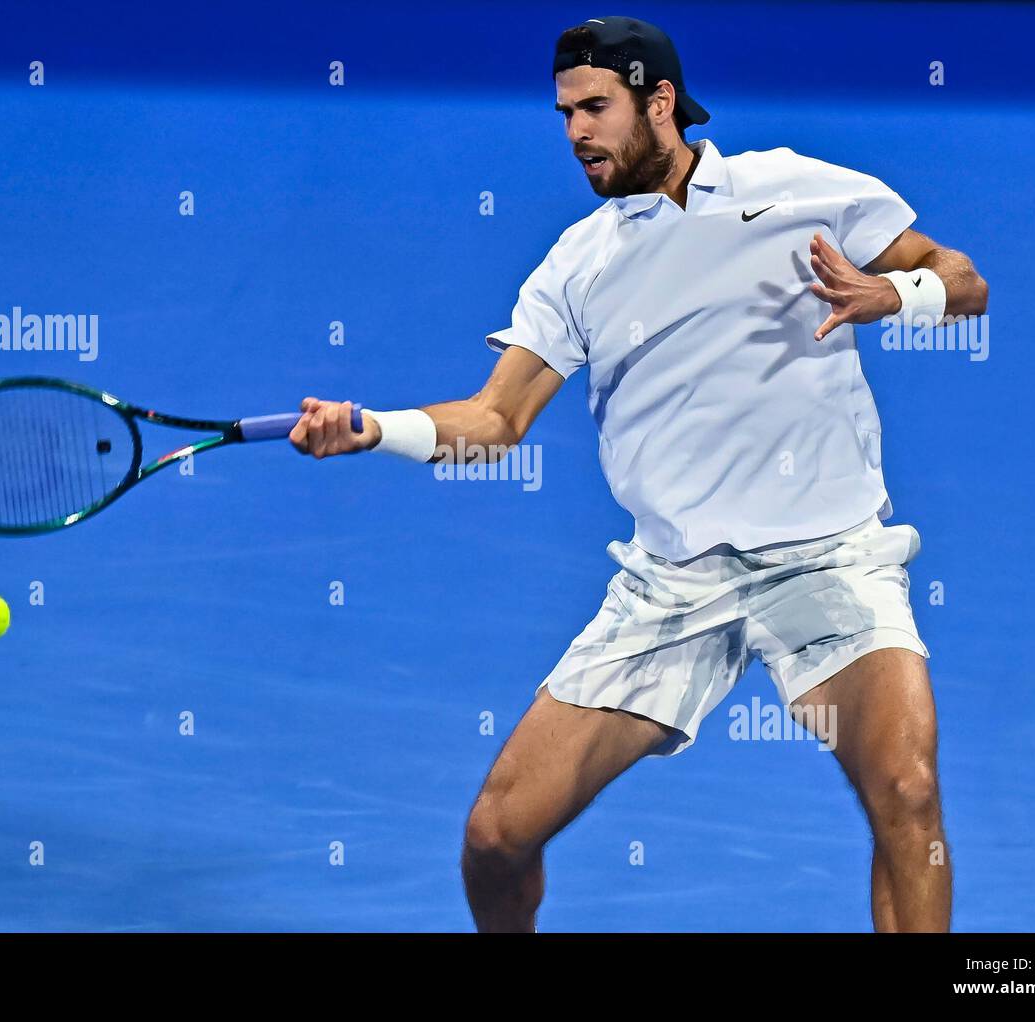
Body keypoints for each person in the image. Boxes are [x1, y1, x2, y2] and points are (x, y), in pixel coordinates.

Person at [289, 15, 988, 933]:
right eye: (564, 113)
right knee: (497, 837)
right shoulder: (578, 266)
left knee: (908, 791)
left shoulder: (794, 189)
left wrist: (894, 293)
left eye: (595, 107)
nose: (575, 132)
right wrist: (373, 428)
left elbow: (962, 279)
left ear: (660, 102)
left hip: (830, 560)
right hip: (675, 584)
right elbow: (496, 421)